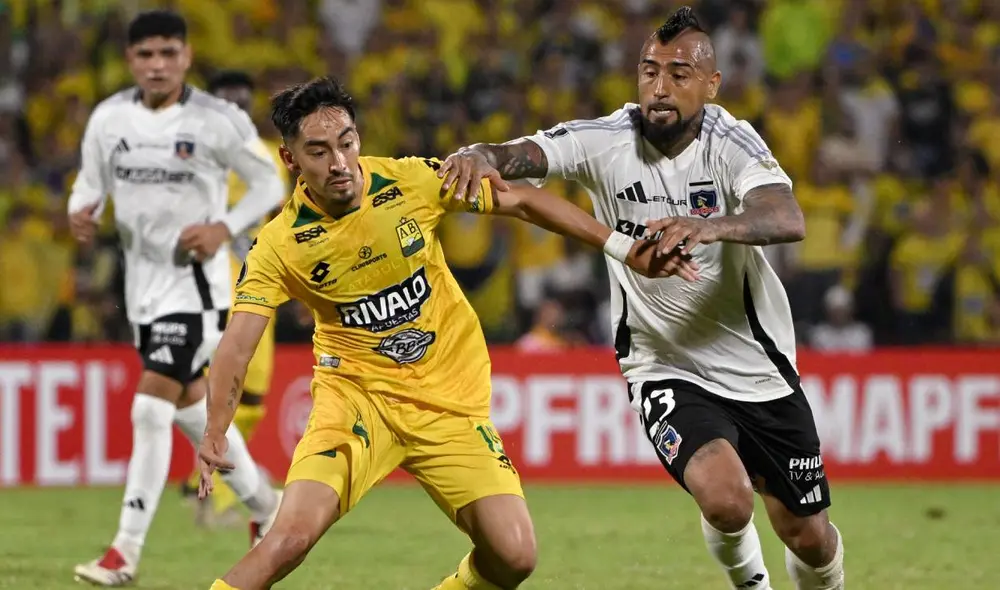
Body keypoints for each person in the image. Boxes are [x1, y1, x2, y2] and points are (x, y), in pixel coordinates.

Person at [196, 76, 682, 590]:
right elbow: (238, 344)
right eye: (318, 152)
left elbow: (520, 202)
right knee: (288, 540)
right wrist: (214, 428)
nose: (339, 163)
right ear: (291, 160)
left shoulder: (410, 183)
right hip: (357, 403)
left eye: (347, 143)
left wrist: (624, 248)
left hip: (449, 403)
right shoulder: (280, 245)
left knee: (515, 556)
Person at [439, 7, 845, 590]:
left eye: (679, 74)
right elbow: (518, 155)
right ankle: (751, 584)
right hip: (662, 361)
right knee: (727, 501)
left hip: (759, 365)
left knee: (808, 535)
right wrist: (482, 153)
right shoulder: (606, 141)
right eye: (649, 70)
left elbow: (785, 216)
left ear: (711, 85)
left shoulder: (731, 141)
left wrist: (710, 226)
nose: (660, 87)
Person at [66, 11, 286, 586]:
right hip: (142, 290)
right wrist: (80, 209)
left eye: (168, 53)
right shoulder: (109, 119)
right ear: (131, 60)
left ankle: (124, 552)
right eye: (146, 55)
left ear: (187, 56)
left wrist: (223, 226)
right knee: (192, 412)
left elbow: (270, 183)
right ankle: (268, 507)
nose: (157, 65)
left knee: (148, 406)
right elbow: (90, 182)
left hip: (200, 291)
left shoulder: (219, 120)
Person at [181, 70, 291, 527]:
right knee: (223, 387)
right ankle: (220, 496)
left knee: (255, 397)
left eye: (241, 102)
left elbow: (287, 216)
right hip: (213, 284)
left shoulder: (271, 157)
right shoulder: (195, 160)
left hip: (260, 282)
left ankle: (199, 484)